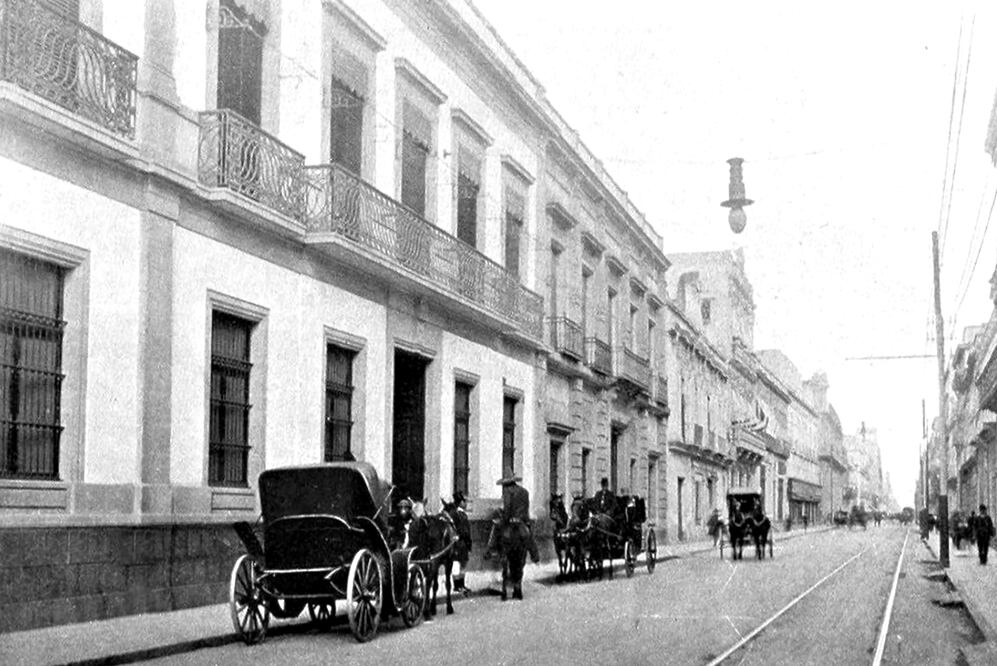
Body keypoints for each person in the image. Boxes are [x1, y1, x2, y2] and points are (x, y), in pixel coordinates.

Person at [487, 476, 540, 564]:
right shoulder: (525, 491)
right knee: (530, 537)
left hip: (510, 521)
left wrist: (504, 520)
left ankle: (491, 550)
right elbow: (526, 508)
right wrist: (526, 521)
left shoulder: (507, 491)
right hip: (522, 521)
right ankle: (535, 556)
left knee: (495, 529)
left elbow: (507, 509)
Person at [451, 491, 473, 595]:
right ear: (460, 502)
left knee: (462, 565)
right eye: (464, 501)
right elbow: (464, 531)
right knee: (457, 565)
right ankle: (457, 586)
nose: (466, 503)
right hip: (459, 543)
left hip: (463, 543)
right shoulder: (457, 514)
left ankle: (461, 585)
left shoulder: (461, 514)